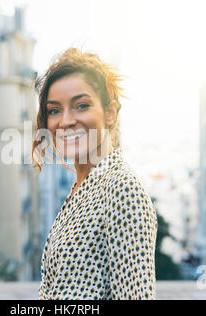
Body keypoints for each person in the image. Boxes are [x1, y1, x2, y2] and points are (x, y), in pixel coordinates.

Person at [32, 47, 158, 300]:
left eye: (81, 105)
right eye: (54, 110)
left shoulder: (122, 189)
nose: (65, 121)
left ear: (110, 113)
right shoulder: (85, 186)